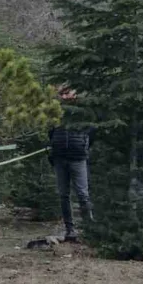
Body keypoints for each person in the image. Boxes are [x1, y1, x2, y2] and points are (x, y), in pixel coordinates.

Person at [48, 87, 95, 243]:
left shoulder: (83, 112)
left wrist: (83, 146)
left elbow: (92, 131)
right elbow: (50, 132)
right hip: (59, 158)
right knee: (63, 194)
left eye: (68, 93)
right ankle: (70, 229)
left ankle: (90, 228)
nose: (65, 96)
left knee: (82, 193)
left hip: (78, 157)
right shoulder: (55, 111)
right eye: (62, 93)